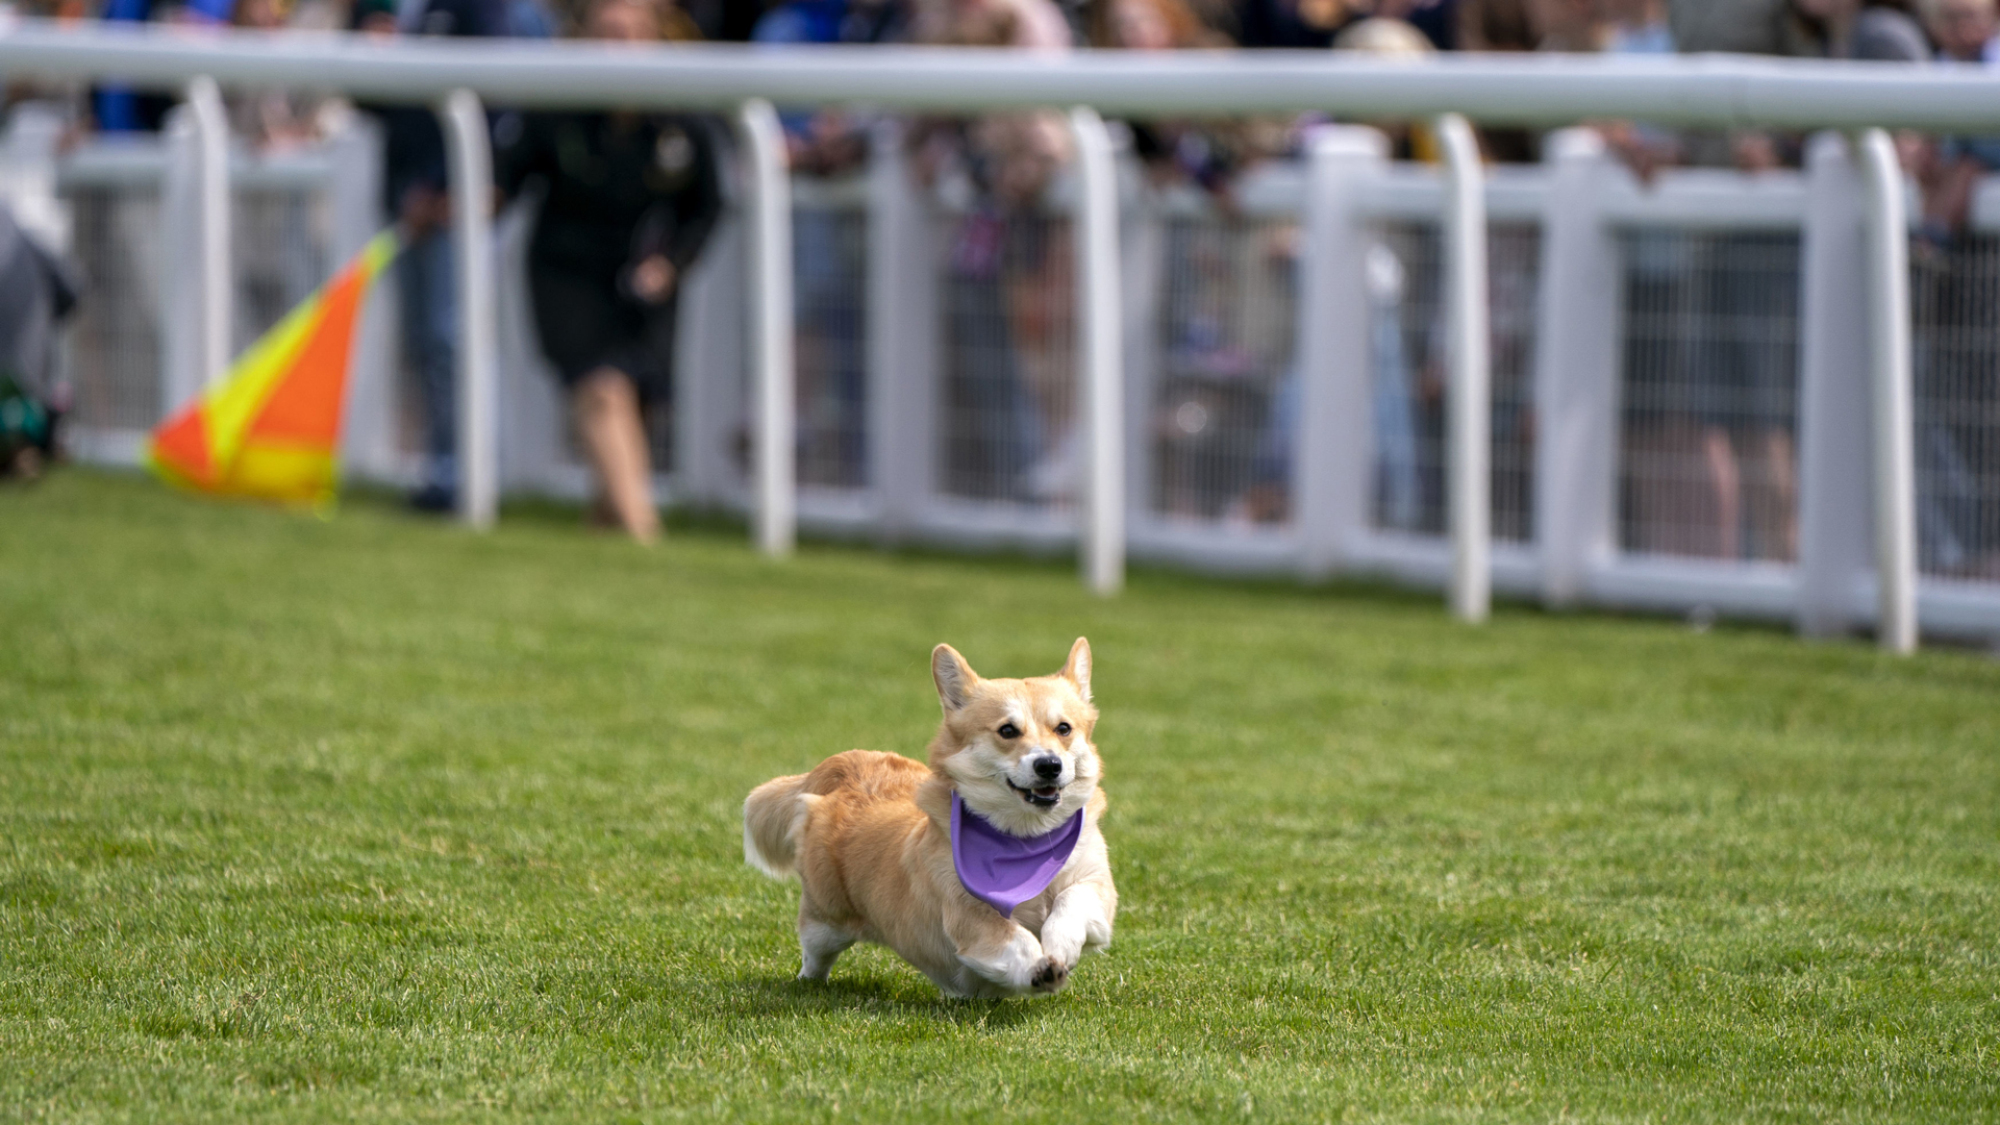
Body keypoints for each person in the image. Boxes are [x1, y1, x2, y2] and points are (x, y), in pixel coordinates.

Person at [495, 0, 725, 542]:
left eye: (630, 33)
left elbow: (707, 206)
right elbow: (504, 179)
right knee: (602, 393)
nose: (617, 46)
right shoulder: (554, 107)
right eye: (606, 33)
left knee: (635, 409)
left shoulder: (680, 117)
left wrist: (670, 265)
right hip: (565, 272)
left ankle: (604, 529)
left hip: (645, 282)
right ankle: (648, 537)